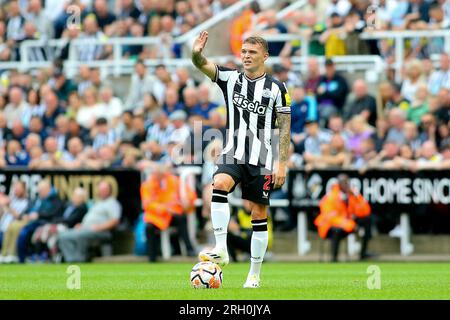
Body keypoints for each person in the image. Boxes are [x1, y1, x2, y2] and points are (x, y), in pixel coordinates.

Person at [192, 31, 291, 288]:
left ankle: (254, 274)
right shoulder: (230, 77)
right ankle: (221, 247)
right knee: (219, 183)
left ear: (265, 56)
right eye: (244, 51)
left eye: (252, 52)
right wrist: (196, 53)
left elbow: (285, 127)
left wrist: (282, 163)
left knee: (258, 213)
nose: (246, 56)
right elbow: (200, 64)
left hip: (263, 158)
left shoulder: (277, 88)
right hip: (234, 150)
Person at [140, 164, 197, 262]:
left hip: (173, 214)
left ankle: (189, 249)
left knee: (181, 219)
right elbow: (147, 204)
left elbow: (188, 193)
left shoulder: (174, 181)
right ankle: (152, 257)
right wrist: (164, 208)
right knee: (148, 227)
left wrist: (187, 200)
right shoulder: (147, 185)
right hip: (156, 217)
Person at [58, 180, 121, 263]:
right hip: (86, 229)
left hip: (102, 232)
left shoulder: (112, 203)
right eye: (101, 189)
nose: (103, 192)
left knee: (80, 236)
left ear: (110, 190)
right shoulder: (97, 203)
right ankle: (71, 260)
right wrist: (82, 225)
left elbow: (115, 221)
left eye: (105, 189)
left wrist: (99, 227)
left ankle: (80, 260)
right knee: (63, 236)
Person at [314, 174, 372, 262]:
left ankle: (363, 253)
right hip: (329, 226)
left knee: (367, 219)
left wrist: (356, 198)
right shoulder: (331, 196)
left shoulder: (352, 194)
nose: (346, 184)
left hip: (346, 224)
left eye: (347, 182)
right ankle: (334, 259)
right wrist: (351, 225)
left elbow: (366, 211)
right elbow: (331, 218)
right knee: (336, 230)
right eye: (344, 182)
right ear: (339, 184)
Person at [31, 187, 88, 262]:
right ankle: (49, 256)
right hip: (60, 226)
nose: (74, 197)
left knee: (49, 230)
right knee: (50, 235)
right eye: (74, 195)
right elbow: (60, 216)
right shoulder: (69, 205)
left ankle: (46, 252)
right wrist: (57, 220)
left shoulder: (82, 208)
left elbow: (70, 221)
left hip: (69, 228)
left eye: (76, 196)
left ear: (82, 198)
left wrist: (57, 221)